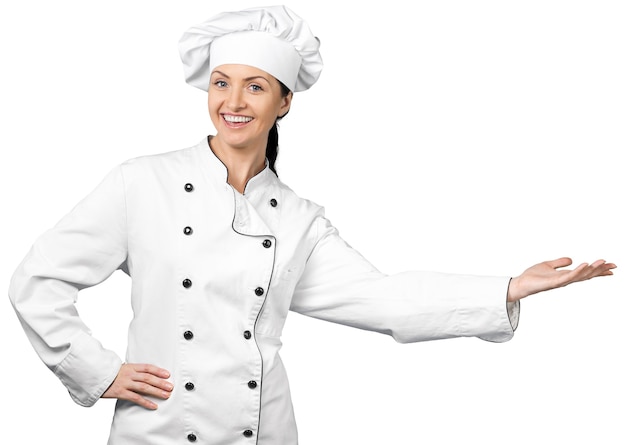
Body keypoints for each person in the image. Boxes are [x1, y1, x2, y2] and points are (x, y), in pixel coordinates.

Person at [8, 5, 616, 445]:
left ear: (285, 101)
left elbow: (385, 299)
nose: (233, 102)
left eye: (255, 86)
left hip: (264, 431)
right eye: (221, 83)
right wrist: (100, 371)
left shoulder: (297, 219)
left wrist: (506, 287)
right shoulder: (142, 183)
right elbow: (38, 279)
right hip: (158, 433)